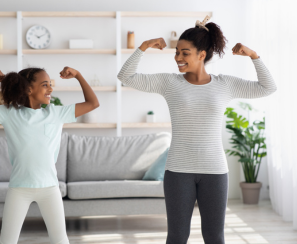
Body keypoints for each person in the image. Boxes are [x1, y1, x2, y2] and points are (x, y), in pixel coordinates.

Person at [117, 17, 277, 244]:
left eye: (185, 53)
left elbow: (268, 87)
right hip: (178, 171)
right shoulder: (169, 83)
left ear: (202, 55)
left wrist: (254, 56)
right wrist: (143, 47)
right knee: (177, 236)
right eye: (176, 52)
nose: (178, 58)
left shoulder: (225, 84)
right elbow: (125, 77)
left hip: (215, 171)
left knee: (214, 237)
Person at [0, 66, 99, 244]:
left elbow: (93, 103)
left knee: (60, 240)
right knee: (7, 241)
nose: (50, 89)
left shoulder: (56, 113)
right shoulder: (9, 113)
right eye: (45, 85)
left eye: (50, 84)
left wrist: (79, 75)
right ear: (28, 89)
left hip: (50, 188)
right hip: (19, 189)